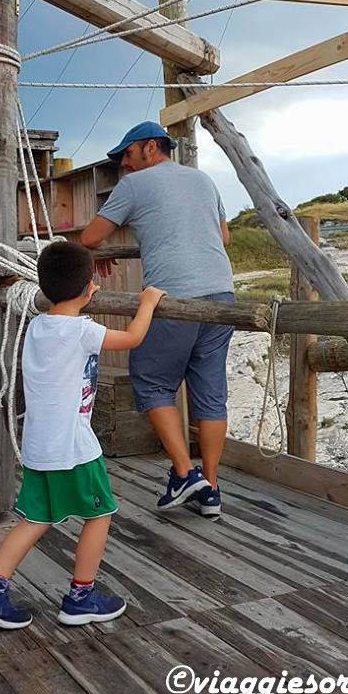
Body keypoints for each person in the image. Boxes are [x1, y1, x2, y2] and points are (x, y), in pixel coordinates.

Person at [0, 240, 166, 630]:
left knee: (35, 519)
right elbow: (133, 339)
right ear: (91, 288)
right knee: (100, 513)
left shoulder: (38, 325)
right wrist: (149, 302)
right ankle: (81, 597)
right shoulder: (81, 331)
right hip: (73, 448)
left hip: (40, 446)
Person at [81, 121, 234, 519]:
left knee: (150, 381)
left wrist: (104, 248)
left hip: (174, 297)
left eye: (127, 155)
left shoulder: (134, 186)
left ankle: (185, 473)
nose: (124, 166)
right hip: (221, 296)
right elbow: (224, 238)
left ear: (151, 147)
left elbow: (89, 237)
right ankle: (211, 490)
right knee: (211, 391)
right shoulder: (203, 180)